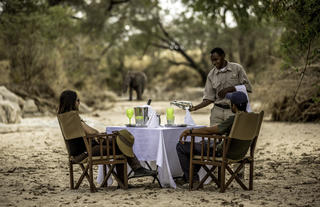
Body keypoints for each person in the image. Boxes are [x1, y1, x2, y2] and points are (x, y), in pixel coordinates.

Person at [57, 90, 156, 181]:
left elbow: (83, 135)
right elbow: (91, 132)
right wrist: (98, 133)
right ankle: (134, 171)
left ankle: (134, 171)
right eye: (77, 100)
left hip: (77, 153)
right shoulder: (74, 117)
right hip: (86, 152)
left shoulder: (63, 118)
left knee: (118, 140)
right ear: (72, 102)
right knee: (121, 145)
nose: (79, 102)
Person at [176, 91, 249, 184]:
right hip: (240, 153)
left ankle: (192, 179)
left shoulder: (234, 119)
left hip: (222, 152)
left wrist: (189, 131)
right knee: (201, 144)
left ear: (233, 105)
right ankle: (189, 177)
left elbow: (210, 131)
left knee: (181, 146)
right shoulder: (250, 119)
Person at [189, 47, 252, 126]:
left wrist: (230, 89)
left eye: (216, 59)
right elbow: (209, 98)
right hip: (217, 112)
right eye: (212, 60)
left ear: (223, 56)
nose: (214, 63)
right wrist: (195, 108)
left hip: (233, 111)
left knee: (231, 136)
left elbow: (248, 87)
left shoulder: (237, 68)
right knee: (214, 136)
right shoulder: (211, 75)